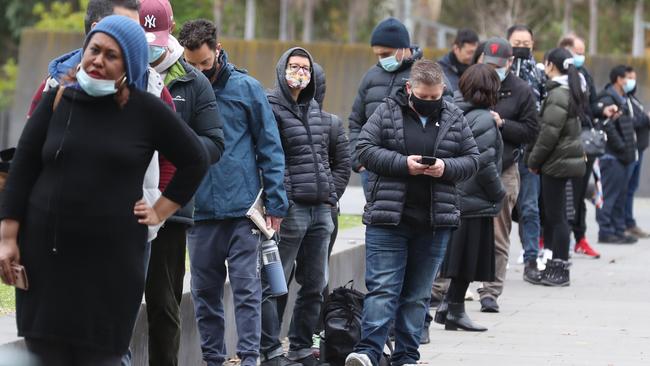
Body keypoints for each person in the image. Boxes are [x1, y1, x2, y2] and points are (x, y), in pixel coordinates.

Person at [0, 15, 209, 365]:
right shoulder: (58, 99)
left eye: (111, 55)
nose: (98, 60)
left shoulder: (146, 110)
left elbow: (196, 159)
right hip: (46, 264)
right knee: (46, 351)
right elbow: (23, 169)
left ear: (130, 63)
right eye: (93, 50)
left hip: (111, 271)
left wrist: (160, 209)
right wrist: (7, 237)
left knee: (101, 356)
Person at [345, 59, 479, 366]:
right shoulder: (386, 111)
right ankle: (367, 353)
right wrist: (403, 164)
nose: (431, 102)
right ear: (409, 89)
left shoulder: (454, 116)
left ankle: (406, 356)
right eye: (424, 96)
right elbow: (364, 148)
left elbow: (472, 160)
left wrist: (445, 168)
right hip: (389, 219)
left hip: (434, 222)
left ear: (443, 90)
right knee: (383, 290)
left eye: (436, 96)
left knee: (418, 296)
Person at [178, 19, 288, 366]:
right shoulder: (178, 89)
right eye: (190, 64)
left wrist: (276, 202)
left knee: (247, 291)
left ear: (218, 50)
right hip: (198, 211)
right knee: (204, 294)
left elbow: (270, 146)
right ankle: (214, 359)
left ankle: (250, 359)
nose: (197, 71)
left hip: (242, 211)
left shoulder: (247, 88)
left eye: (204, 64)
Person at [139, 1, 225, 365]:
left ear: (171, 30)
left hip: (170, 207)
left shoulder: (193, 80)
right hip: (120, 201)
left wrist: (174, 146)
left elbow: (214, 144)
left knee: (164, 303)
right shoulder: (117, 68)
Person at [261, 47, 337, 366]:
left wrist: (330, 196)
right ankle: (269, 348)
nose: (300, 73)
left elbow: (326, 158)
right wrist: (281, 199)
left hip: (320, 209)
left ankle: (302, 346)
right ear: (282, 69)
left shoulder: (316, 110)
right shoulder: (270, 106)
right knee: (277, 283)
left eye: (305, 68)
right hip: (290, 209)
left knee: (315, 284)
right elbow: (268, 157)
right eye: (294, 67)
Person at [435, 64, 505, 332]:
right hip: (475, 200)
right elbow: (485, 164)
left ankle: (448, 308)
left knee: (459, 259)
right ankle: (455, 310)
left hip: (459, 196)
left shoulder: (457, 112)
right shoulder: (484, 119)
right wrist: (499, 193)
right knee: (466, 261)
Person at [477, 37, 538, 310]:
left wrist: (503, 124)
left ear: (510, 63)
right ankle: (443, 289)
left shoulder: (521, 90)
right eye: (489, 65)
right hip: (471, 167)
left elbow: (531, 130)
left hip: (505, 167)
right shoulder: (472, 83)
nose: (494, 70)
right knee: (457, 230)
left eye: (499, 65)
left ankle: (491, 291)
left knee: (499, 233)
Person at [527, 47, 587, 286]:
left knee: (557, 217)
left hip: (557, 163)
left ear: (550, 64)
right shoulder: (569, 90)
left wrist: (533, 161)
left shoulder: (558, 94)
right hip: (564, 161)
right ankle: (556, 267)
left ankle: (559, 270)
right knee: (559, 216)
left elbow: (548, 134)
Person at [348, 17, 424, 195]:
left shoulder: (425, 75)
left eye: (386, 54)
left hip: (412, 172)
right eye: (378, 55)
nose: (382, 59)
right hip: (372, 170)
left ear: (404, 48)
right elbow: (356, 120)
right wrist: (358, 160)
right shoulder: (370, 77)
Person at [559, 35, 605, 258]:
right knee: (566, 195)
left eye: (583, 51)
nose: (581, 56)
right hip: (566, 144)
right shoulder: (560, 76)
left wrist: (604, 109)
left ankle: (580, 237)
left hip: (586, 141)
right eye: (577, 51)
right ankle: (558, 239)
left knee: (581, 194)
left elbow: (592, 105)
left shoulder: (584, 74)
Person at [507, 25, 546, 278]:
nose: (521, 46)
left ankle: (531, 258)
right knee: (498, 210)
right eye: (516, 41)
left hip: (530, 153)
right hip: (503, 152)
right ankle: (493, 262)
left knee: (530, 208)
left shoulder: (540, 74)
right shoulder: (498, 72)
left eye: (526, 42)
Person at [595, 65, 639, 244]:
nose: (631, 82)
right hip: (612, 156)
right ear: (619, 79)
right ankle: (606, 231)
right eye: (628, 77)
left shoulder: (622, 98)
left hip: (623, 156)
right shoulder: (607, 98)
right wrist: (621, 147)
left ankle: (618, 230)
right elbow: (608, 126)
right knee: (609, 195)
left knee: (620, 195)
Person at [623, 66, 650, 239]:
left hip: (639, 150)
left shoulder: (634, 100)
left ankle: (629, 222)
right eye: (628, 78)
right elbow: (629, 122)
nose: (632, 81)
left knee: (631, 187)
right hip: (628, 152)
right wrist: (646, 118)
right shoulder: (621, 100)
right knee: (624, 188)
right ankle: (622, 224)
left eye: (634, 78)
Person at [438, 28, 479, 93]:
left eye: (475, 52)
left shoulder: (477, 66)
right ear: (456, 49)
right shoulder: (441, 70)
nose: (473, 56)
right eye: (469, 52)